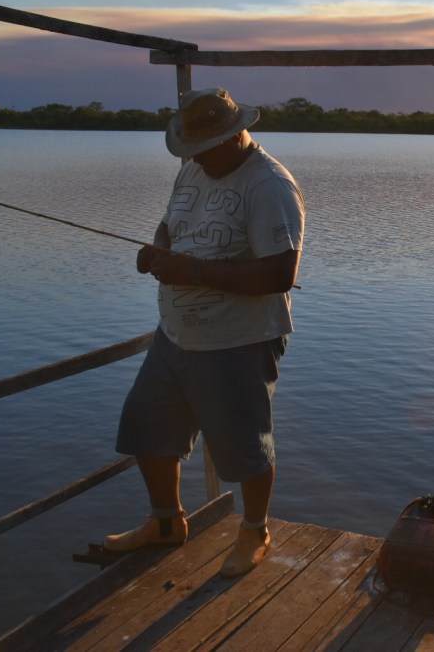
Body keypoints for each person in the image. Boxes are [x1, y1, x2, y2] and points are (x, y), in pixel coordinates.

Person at [103, 88, 306, 578]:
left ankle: (254, 530)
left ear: (237, 134)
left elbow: (280, 274)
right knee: (146, 427)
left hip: (237, 339)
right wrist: (156, 252)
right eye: (189, 150)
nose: (196, 158)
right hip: (175, 334)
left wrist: (192, 272)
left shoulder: (269, 186)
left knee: (243, 444)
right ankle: (166, 522)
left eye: (206, 147)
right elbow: (170, 226)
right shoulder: (194, 166)